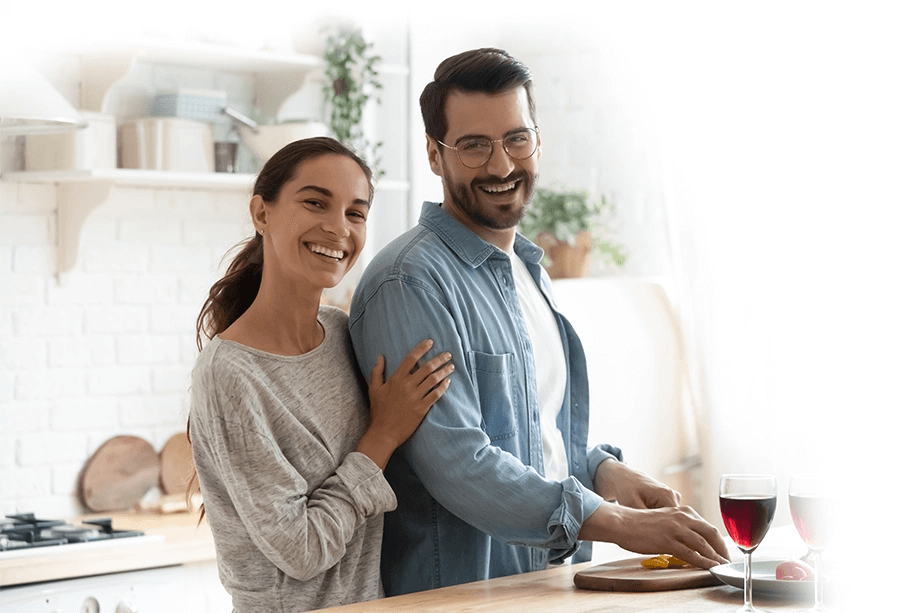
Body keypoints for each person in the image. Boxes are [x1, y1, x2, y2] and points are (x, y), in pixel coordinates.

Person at [347, 48, 731, 596]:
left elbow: (534, 431)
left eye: (515, 139)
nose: (501, 166)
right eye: (474, 146)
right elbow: (460, 463)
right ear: (435, 155)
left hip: (547, 586)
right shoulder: (410, 283)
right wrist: (620, 524)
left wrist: (605, 473)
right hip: (461, 598)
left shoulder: (527, 269)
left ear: (538, 142)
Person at [188, 137, 454, 613]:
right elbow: (302, 551)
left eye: (356, 213)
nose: (338, 228)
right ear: (262, 213)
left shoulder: (342, 332)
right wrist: (384, 433)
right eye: (315, 203)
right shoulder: (230, 373)